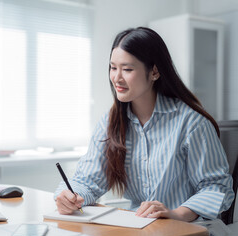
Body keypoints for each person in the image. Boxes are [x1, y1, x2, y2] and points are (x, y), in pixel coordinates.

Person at [54, 27, 234, 222]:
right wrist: (70, 196)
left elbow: (216, 188)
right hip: (138, 227)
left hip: (186, 229)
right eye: (113, 68)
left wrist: (175, 214)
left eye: (127, 69)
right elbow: (87, 181)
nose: (117, 77)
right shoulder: (110, 122)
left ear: (154, 71)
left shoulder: (191, 123)